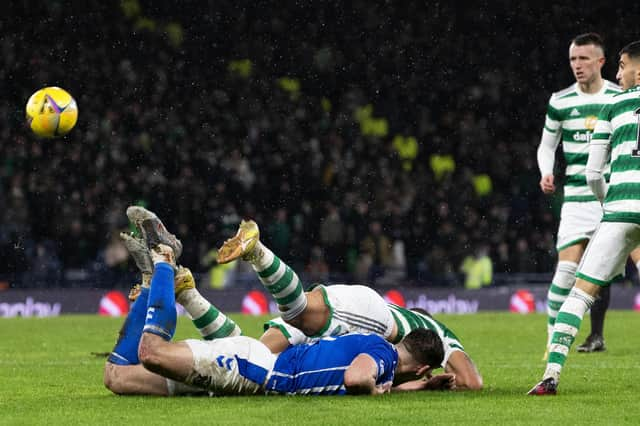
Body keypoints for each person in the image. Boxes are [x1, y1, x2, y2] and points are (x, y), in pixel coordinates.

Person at [104, 218, 455, 396]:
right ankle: (166, 258)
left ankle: (158, 282)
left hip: (257, 363)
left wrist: (419, 387)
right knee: (151, 353)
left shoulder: (385, 360)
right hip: (255, 368)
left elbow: (377, 379)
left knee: (116, 378)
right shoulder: (382, 349)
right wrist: (377, 390)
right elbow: (359, 377)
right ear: (422, 367)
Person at [217, 219, 483, 390]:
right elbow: (472, 383)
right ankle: (258, 252)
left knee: (251, 358)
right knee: (299, 312)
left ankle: (189, 297)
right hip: (369, 314)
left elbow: (391, 381)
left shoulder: (393, 355)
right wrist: (446, 380)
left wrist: (424, 385)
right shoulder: (437, 334)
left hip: (357, 318)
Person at [529, 40, 640, 395]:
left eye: (622, 66)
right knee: (567, 272)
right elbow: (547, 146)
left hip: (616, 206)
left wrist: (612, 203)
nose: (618, 73)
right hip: (580, 204)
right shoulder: (560, 100)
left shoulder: (612, 103)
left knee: (579, 292)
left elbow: (595, 174)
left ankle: (551, 374)